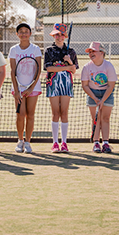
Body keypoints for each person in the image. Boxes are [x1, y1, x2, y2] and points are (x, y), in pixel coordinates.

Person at [44, 23, 78, 152]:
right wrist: (66, 67)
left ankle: (64, 142)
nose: (59, 37)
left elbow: (73, 70)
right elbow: (49, 68)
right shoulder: (49, 50)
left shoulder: (71, 52)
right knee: (55, 113)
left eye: (62, 34)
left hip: (66, 84)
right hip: (53, 83)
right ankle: (55, 143)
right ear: (53, 35)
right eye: (57, 34)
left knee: (64, 113)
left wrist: (69, 61)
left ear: (65, 36)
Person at [9, 23, 42, 154]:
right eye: (21, 31)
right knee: (20, 115)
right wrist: (17, 90)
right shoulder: (14, 50)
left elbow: (38, 70)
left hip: (33, 88)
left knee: (31, 115)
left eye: (26, 31)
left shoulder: (35, 49)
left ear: (30, 33)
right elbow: (12, 70)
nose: (23, 33)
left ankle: (28, 142)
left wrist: (30, 88)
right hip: (18, 88)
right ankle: (20, 141)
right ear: (17, 34)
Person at [81, 42, 117, 153]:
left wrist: (103, 100)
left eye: (94, 51)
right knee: (95, 119)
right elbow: (85, 85)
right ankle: (96, 142)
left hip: (107, 93)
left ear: (101, 52)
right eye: (90, 52)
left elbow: (111, 85)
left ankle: (105, 143)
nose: (91, 53)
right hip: (92, 94)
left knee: (105, 118)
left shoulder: (109, 66)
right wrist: (95, 99)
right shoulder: (86, 67)